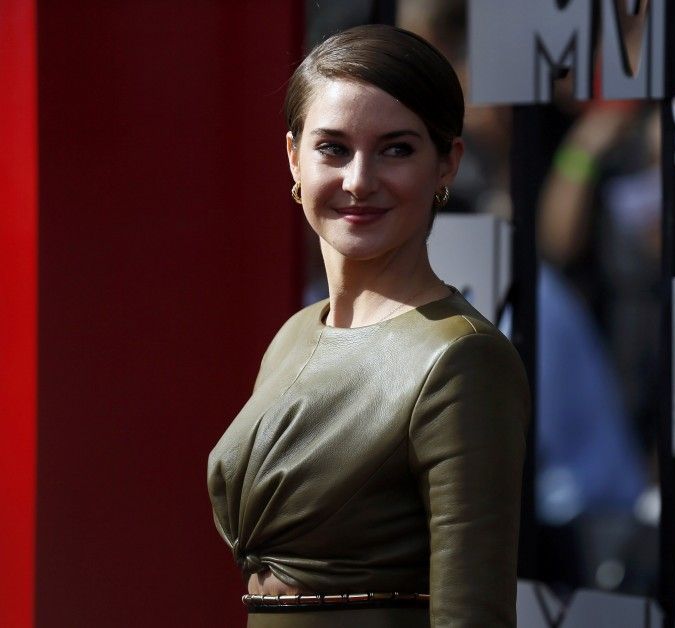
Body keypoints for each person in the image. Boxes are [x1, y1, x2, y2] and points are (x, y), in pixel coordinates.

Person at [207, 24, 530, 628]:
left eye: (397, 149)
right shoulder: (296, 335)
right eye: (333, 148)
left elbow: (473, 613)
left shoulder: (462, 359)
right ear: (293, 158)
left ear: (446, 165)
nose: (360, 180)